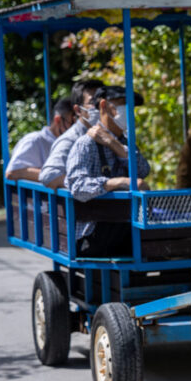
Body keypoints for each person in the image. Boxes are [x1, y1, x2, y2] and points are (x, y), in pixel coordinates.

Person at [65, 85, 150, 256]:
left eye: (130, 106)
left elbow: (143, 171)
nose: (128, 110)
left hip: (125, 224)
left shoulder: (125, 142)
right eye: (121, 104)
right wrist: (117, 182)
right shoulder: (86, 144)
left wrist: (114, 144)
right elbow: (77, 186)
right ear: (103, 105)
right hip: (95, 231)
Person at [39, 79, 105, 188]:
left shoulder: (110, 134)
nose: (99, 106)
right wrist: (84, 184)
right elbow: (49, 176)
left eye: (102, 100)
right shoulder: (71, 139)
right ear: (78, 110)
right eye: (93, 102)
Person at [4, 97, 75, 181]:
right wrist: (55, 177)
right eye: (72, 123)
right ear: (58, 120)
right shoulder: (34, 140)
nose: (76, 127)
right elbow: (12, 172)